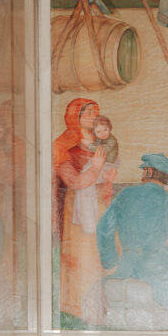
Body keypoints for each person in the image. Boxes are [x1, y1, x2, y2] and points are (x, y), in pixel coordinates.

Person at [96, 152, 168, 317]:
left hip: (127, 264)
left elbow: (103, 228)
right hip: (153, 266)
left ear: (149, 172)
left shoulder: (125, 194)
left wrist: (110, 260)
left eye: (144, 170)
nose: (143, 173)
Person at [52, 97, 115, 322]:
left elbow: (106, 170)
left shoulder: (102, 142)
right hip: (77, 210)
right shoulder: (62, 145)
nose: (92, 116)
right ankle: (78, 307)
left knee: (99, 255)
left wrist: (108, 176)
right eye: (86, 112)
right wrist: (95, 170)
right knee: (83, 256)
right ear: (74, 116)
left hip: (99, 204)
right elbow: (73, 181)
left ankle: (99, 308)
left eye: (94, 112)